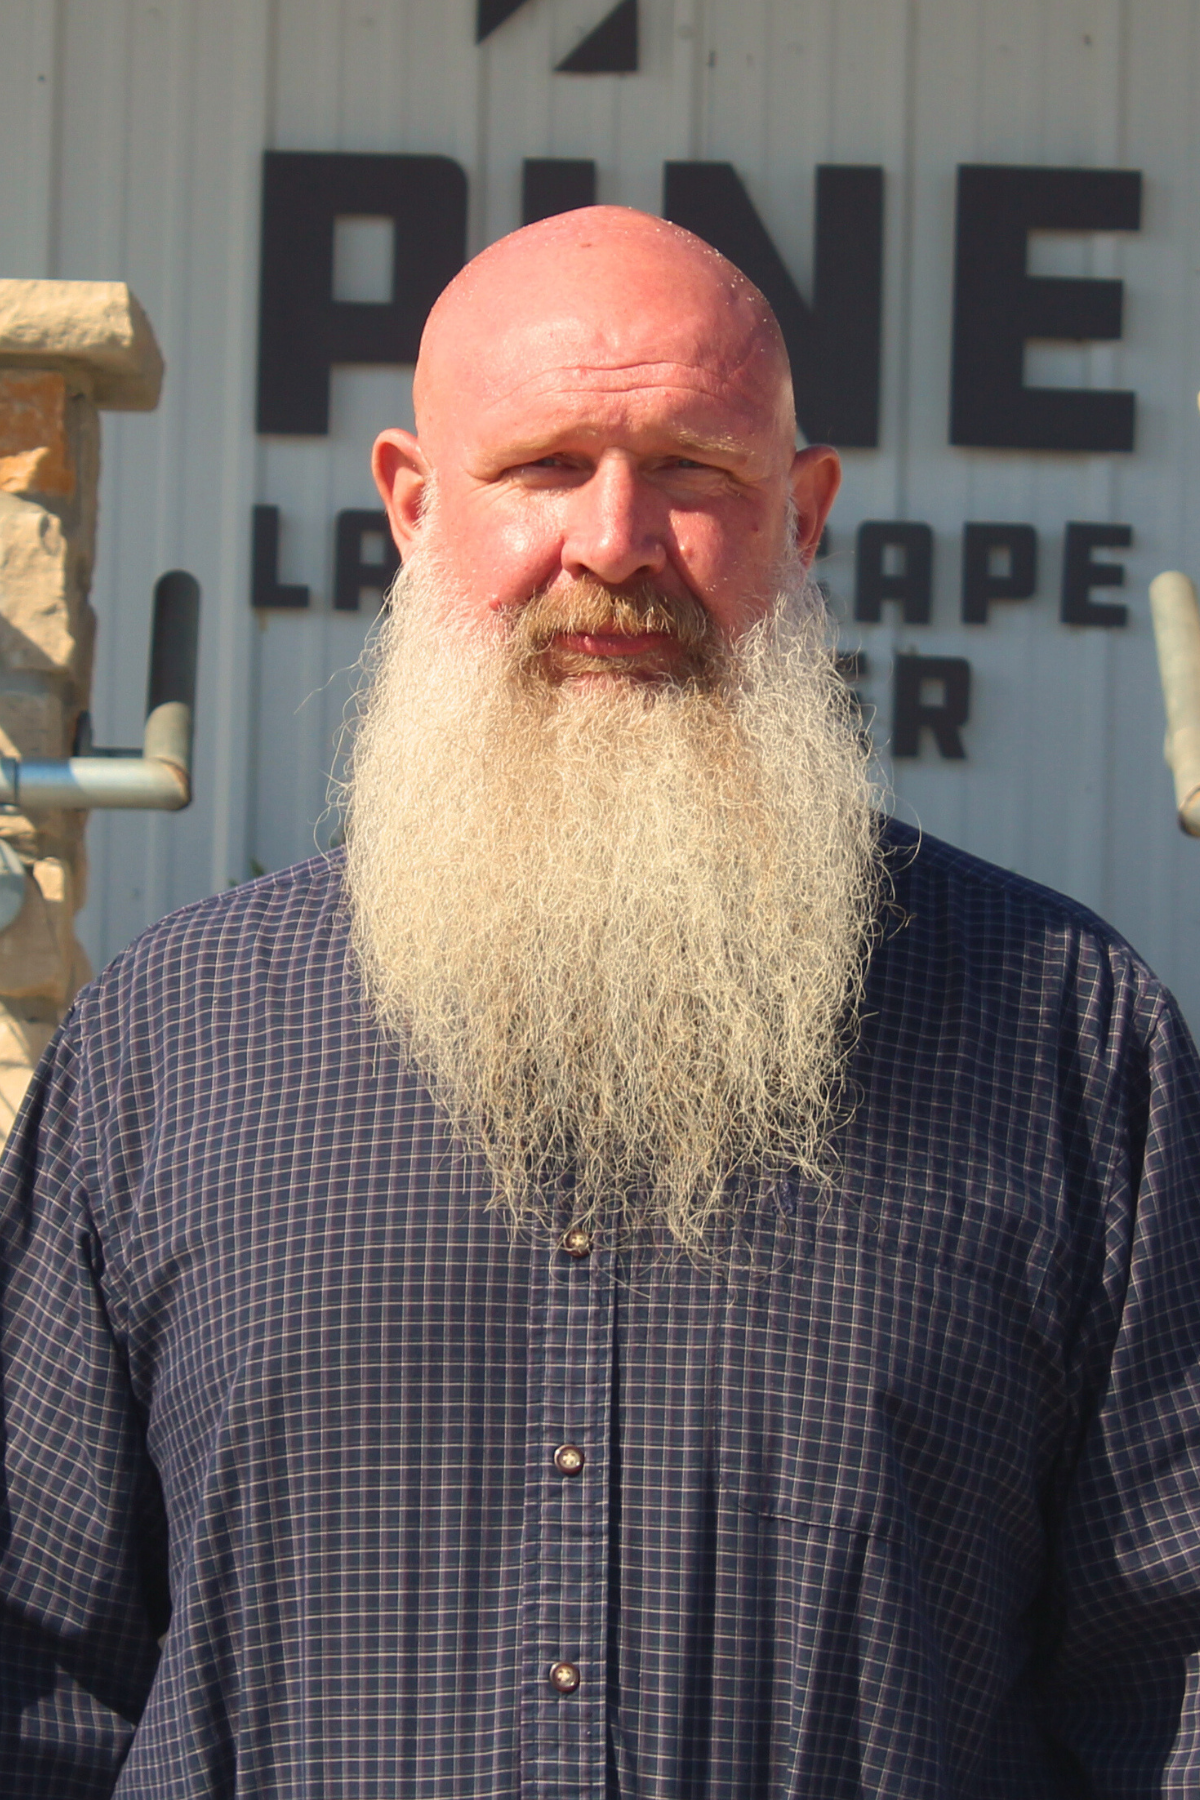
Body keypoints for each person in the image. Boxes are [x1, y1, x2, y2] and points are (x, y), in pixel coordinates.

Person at [1, 206, 1199, 1800]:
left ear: (805, 512)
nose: (617, 541)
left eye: (693, 469)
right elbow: (40, 1682)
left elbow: (1169, 1684)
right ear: (414, 505)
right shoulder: (170, 1044)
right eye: (545, 467)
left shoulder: (1066, 1036)